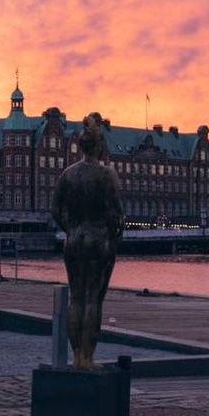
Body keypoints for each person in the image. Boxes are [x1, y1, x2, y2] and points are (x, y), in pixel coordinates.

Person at [50, 113, 125, 369]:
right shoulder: (107, 175)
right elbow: (116, 213)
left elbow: (55, 210)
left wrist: (70, 228)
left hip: (74, 239)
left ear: (80, 145)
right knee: (93, 299)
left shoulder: (67, 175)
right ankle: (89, 357)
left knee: (76, 298)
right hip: (98, 240)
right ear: (99, 146)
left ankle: (76, 356)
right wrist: (114, 237)